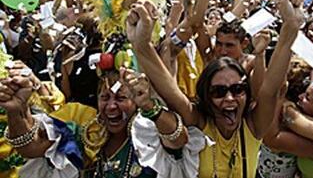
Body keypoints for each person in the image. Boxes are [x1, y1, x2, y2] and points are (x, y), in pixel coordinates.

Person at [127, 0, 303, 177]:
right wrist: (142, 45)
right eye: (219, 92)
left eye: (237, 90)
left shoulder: (253, 126)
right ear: (206, 96)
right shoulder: (199, 123)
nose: (229, 98)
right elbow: (170, 91)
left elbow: (271, 88)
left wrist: (291, 26)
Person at [0, 59, 203, 178]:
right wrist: (16, 111)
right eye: (105, 98)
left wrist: (149, 106)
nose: (111, 106)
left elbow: (179, 139)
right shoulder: (84, 134)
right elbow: (31, 146)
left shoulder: (151, 134)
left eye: (121, 98)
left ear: (137, 101)